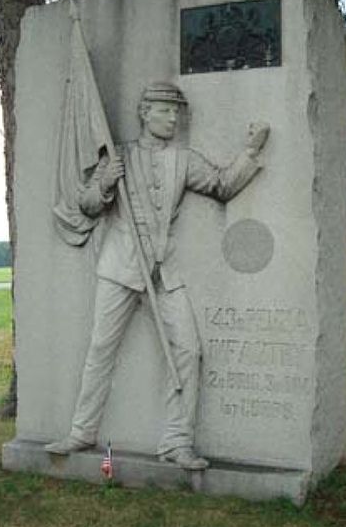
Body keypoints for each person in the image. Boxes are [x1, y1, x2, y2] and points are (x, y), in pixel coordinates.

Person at [46, 81, 270, 469]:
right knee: (100, 350)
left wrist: (250, 151)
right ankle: (82, 431)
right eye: (165, 110)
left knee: (189, 350)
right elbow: (86, 205)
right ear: (144, 113)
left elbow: (221, 184)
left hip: (163, 272)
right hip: (119, 269)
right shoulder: (119, 156)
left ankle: (177, 442)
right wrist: (103, 183)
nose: (173, 118)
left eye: (176, 112)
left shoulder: (184, 160)